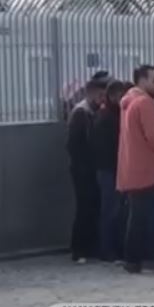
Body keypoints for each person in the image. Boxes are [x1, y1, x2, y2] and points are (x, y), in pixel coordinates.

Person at [117, 64, 154, 273]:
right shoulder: (144, 103)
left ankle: (132, 258)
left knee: (136, 216)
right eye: (152, 79)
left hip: (131, 167)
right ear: (143, 80)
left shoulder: (127, 101)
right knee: (152, 216)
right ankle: (151, 257)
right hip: (148, 167)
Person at [67, 77, 107, 263]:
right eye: (100, 94)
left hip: (93, 167)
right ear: (91, 93)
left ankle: (91, 246)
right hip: (83, 169)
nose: (102, 98)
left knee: (94, 206)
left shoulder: (94, 111)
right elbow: (74, 145)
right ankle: (79, 249)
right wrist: (86, 164)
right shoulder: (81, 112)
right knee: (85, 207)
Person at [91, 80, 127, 263]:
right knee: (110, 210)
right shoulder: (106, 117)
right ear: (112, 96)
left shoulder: (111, 115)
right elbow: (107, 146)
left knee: (116, 210)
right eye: (120, 95)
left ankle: (114, 248)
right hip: (108, 169)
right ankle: (107, 249)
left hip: (113, 169)